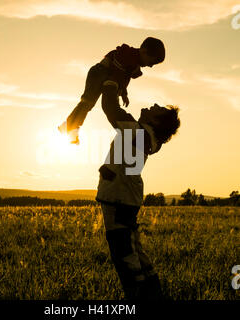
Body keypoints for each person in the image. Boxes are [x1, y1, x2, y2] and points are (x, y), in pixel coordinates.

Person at [95, 76, 180, 300]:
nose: (152, 105)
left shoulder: (137, 132)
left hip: (119, 199)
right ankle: (154, 295)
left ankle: (137, 298)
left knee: (124, 254)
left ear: (157, 122)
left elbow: (110, 108)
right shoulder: (144, 135)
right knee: (133, 251)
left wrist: (111, 80)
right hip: (123, 198)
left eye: (157, 109)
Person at [58, 37, 165, 144]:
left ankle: (69, 125)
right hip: (99, 73)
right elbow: (117, 66)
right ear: (144, 51)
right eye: (152, 61)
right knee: (87, 102)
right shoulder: (129, 54)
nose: (151, 66)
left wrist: (123, 93)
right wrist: (113, 81)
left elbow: (123, 79)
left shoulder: (134, 63)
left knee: (88, 103)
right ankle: (70, 126)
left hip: (105, 77)